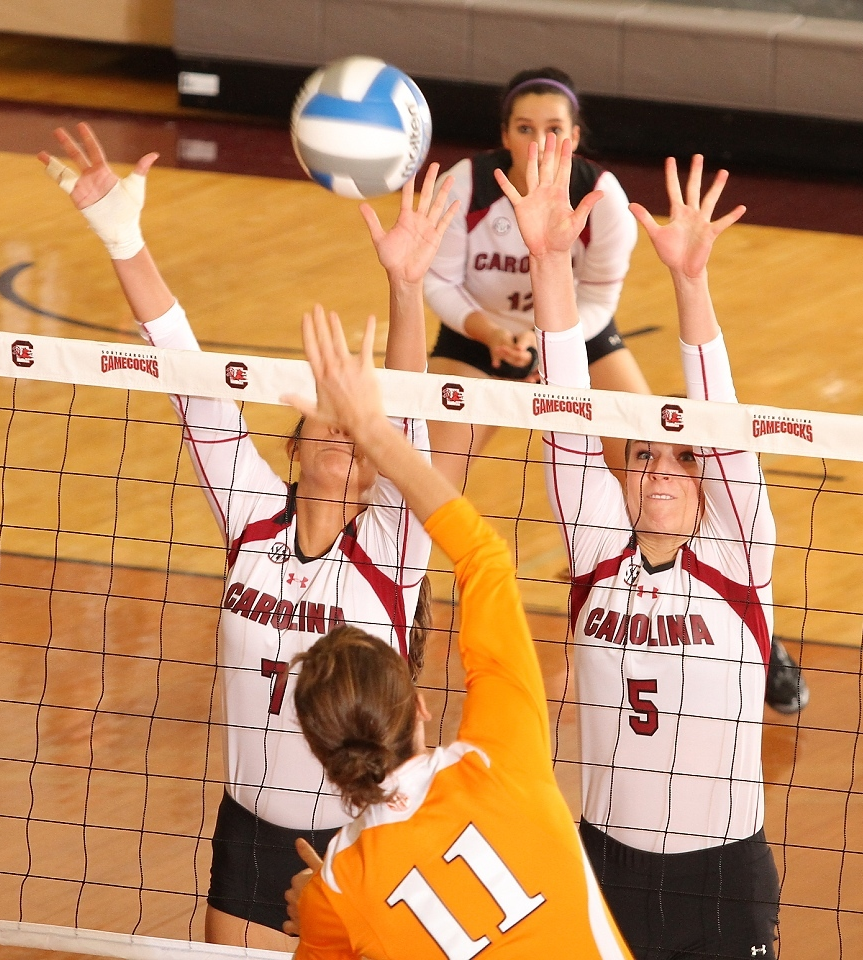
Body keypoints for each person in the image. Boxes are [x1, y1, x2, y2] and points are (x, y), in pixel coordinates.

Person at [39, 123, 459, 949]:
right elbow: (188, 374)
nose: (344, 435)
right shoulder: (250, 511)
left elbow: (404, 413)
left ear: (378, 457)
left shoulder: (391, 547)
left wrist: (406, 288)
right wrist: (121, 236)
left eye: (359, 430)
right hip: (248, 827)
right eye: (324, 423)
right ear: (292, 446)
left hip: (361, 836)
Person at [278, 303, 635, 959]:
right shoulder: (501, 758)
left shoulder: (341, 885)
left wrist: (322, 918)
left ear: (320, 753)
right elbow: (483, 558)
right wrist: (373, 431)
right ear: (418, 705)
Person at [500, 134, 781, 958]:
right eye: (644, 455)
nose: (658, 469)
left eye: (678, 458)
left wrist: (690, 282)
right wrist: (551, 266)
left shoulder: (738, 557)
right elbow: (563, 417)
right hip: (605, 865)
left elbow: (722, 427)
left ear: (707, 482)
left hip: (721, 878)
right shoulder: (596, 555)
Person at [423, 67, 647, 482]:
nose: (540, 143)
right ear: (505, 136)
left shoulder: (603, 198)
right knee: (423, 480)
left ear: (575, 138)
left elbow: (598, 299)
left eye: (554, 129)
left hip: (578, 335)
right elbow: (438, 281)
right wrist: (490, 334)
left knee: (646, 459)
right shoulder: (464, 186)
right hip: (479, 337)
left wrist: (551, 343)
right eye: (525, 128)